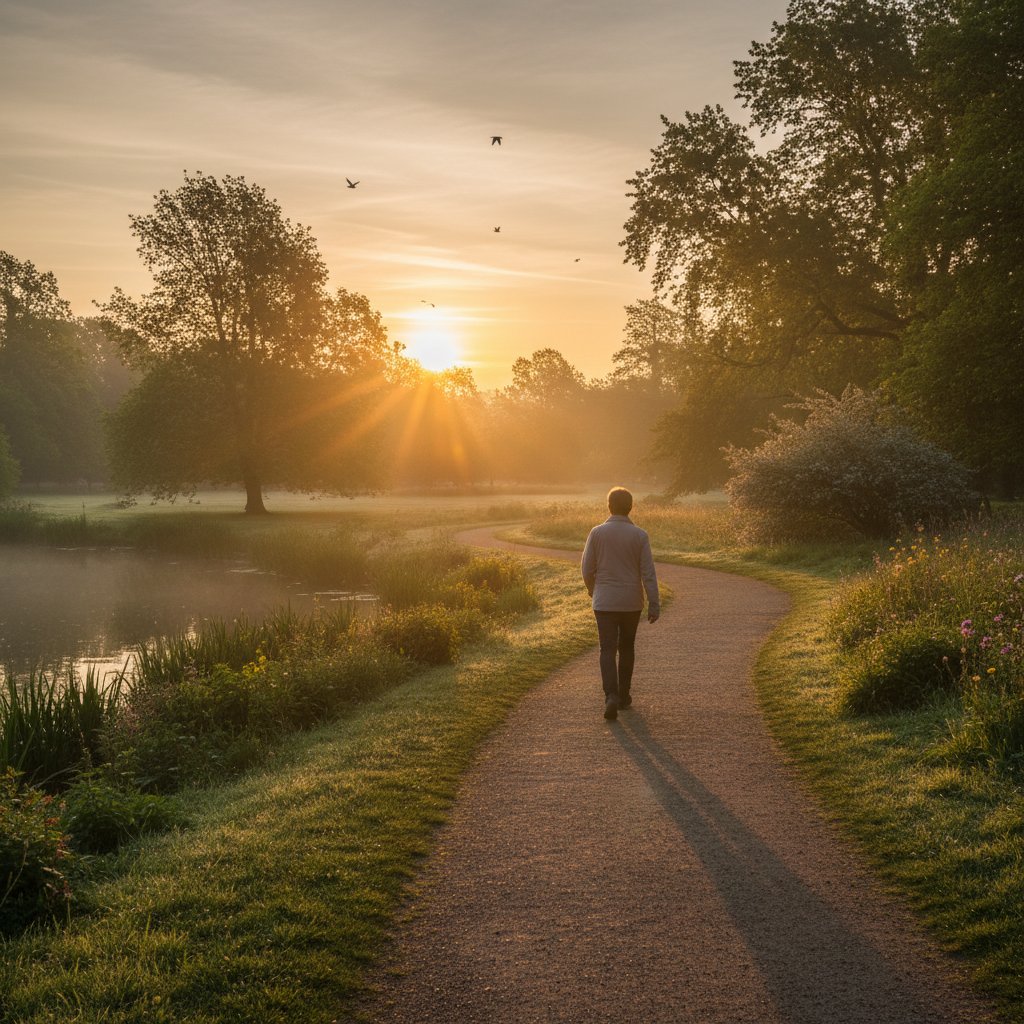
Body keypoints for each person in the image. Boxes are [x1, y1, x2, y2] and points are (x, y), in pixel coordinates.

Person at [581, 486, 660, 720]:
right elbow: (648, 573)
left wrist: (593, 590)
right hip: (630, 601)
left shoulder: (596, 533)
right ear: (630, 507)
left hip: (604, 601)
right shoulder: (640, 535)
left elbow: (587, 569)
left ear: (609, 506)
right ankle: (624, 696)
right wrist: (654, 603)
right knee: (627, 647)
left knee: (607, 649)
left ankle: (611, 696)